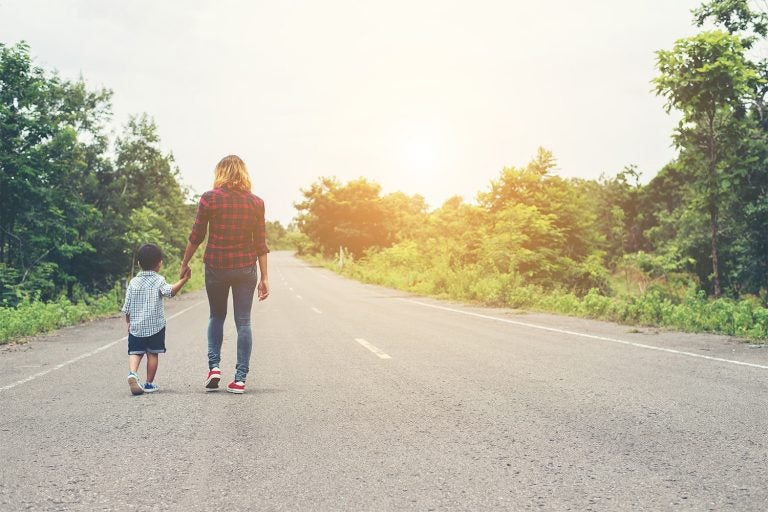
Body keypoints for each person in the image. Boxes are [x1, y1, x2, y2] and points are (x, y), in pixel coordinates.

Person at [180, 155, 269, 394]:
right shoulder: (256, 203)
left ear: (221, 173)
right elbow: (260, 243)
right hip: (245, 268)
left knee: (216, 316)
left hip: (216, 267)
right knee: (243, 322)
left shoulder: (210, 199)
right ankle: (240, 379)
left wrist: (184, 262)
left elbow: (196, 235)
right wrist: (265, 277)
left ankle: (214, 368)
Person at [122, 243, 191, 395]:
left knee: (135, 352)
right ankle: (148, 384)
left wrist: (129, 322)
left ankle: (132, 374)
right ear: (159, 263)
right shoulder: (159, 280)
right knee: (152, 354)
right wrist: (183, 281)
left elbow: (127, 306)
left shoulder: (133, 283)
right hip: (156, 327)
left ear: (139, 263)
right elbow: (170, 292)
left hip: (137, 327)